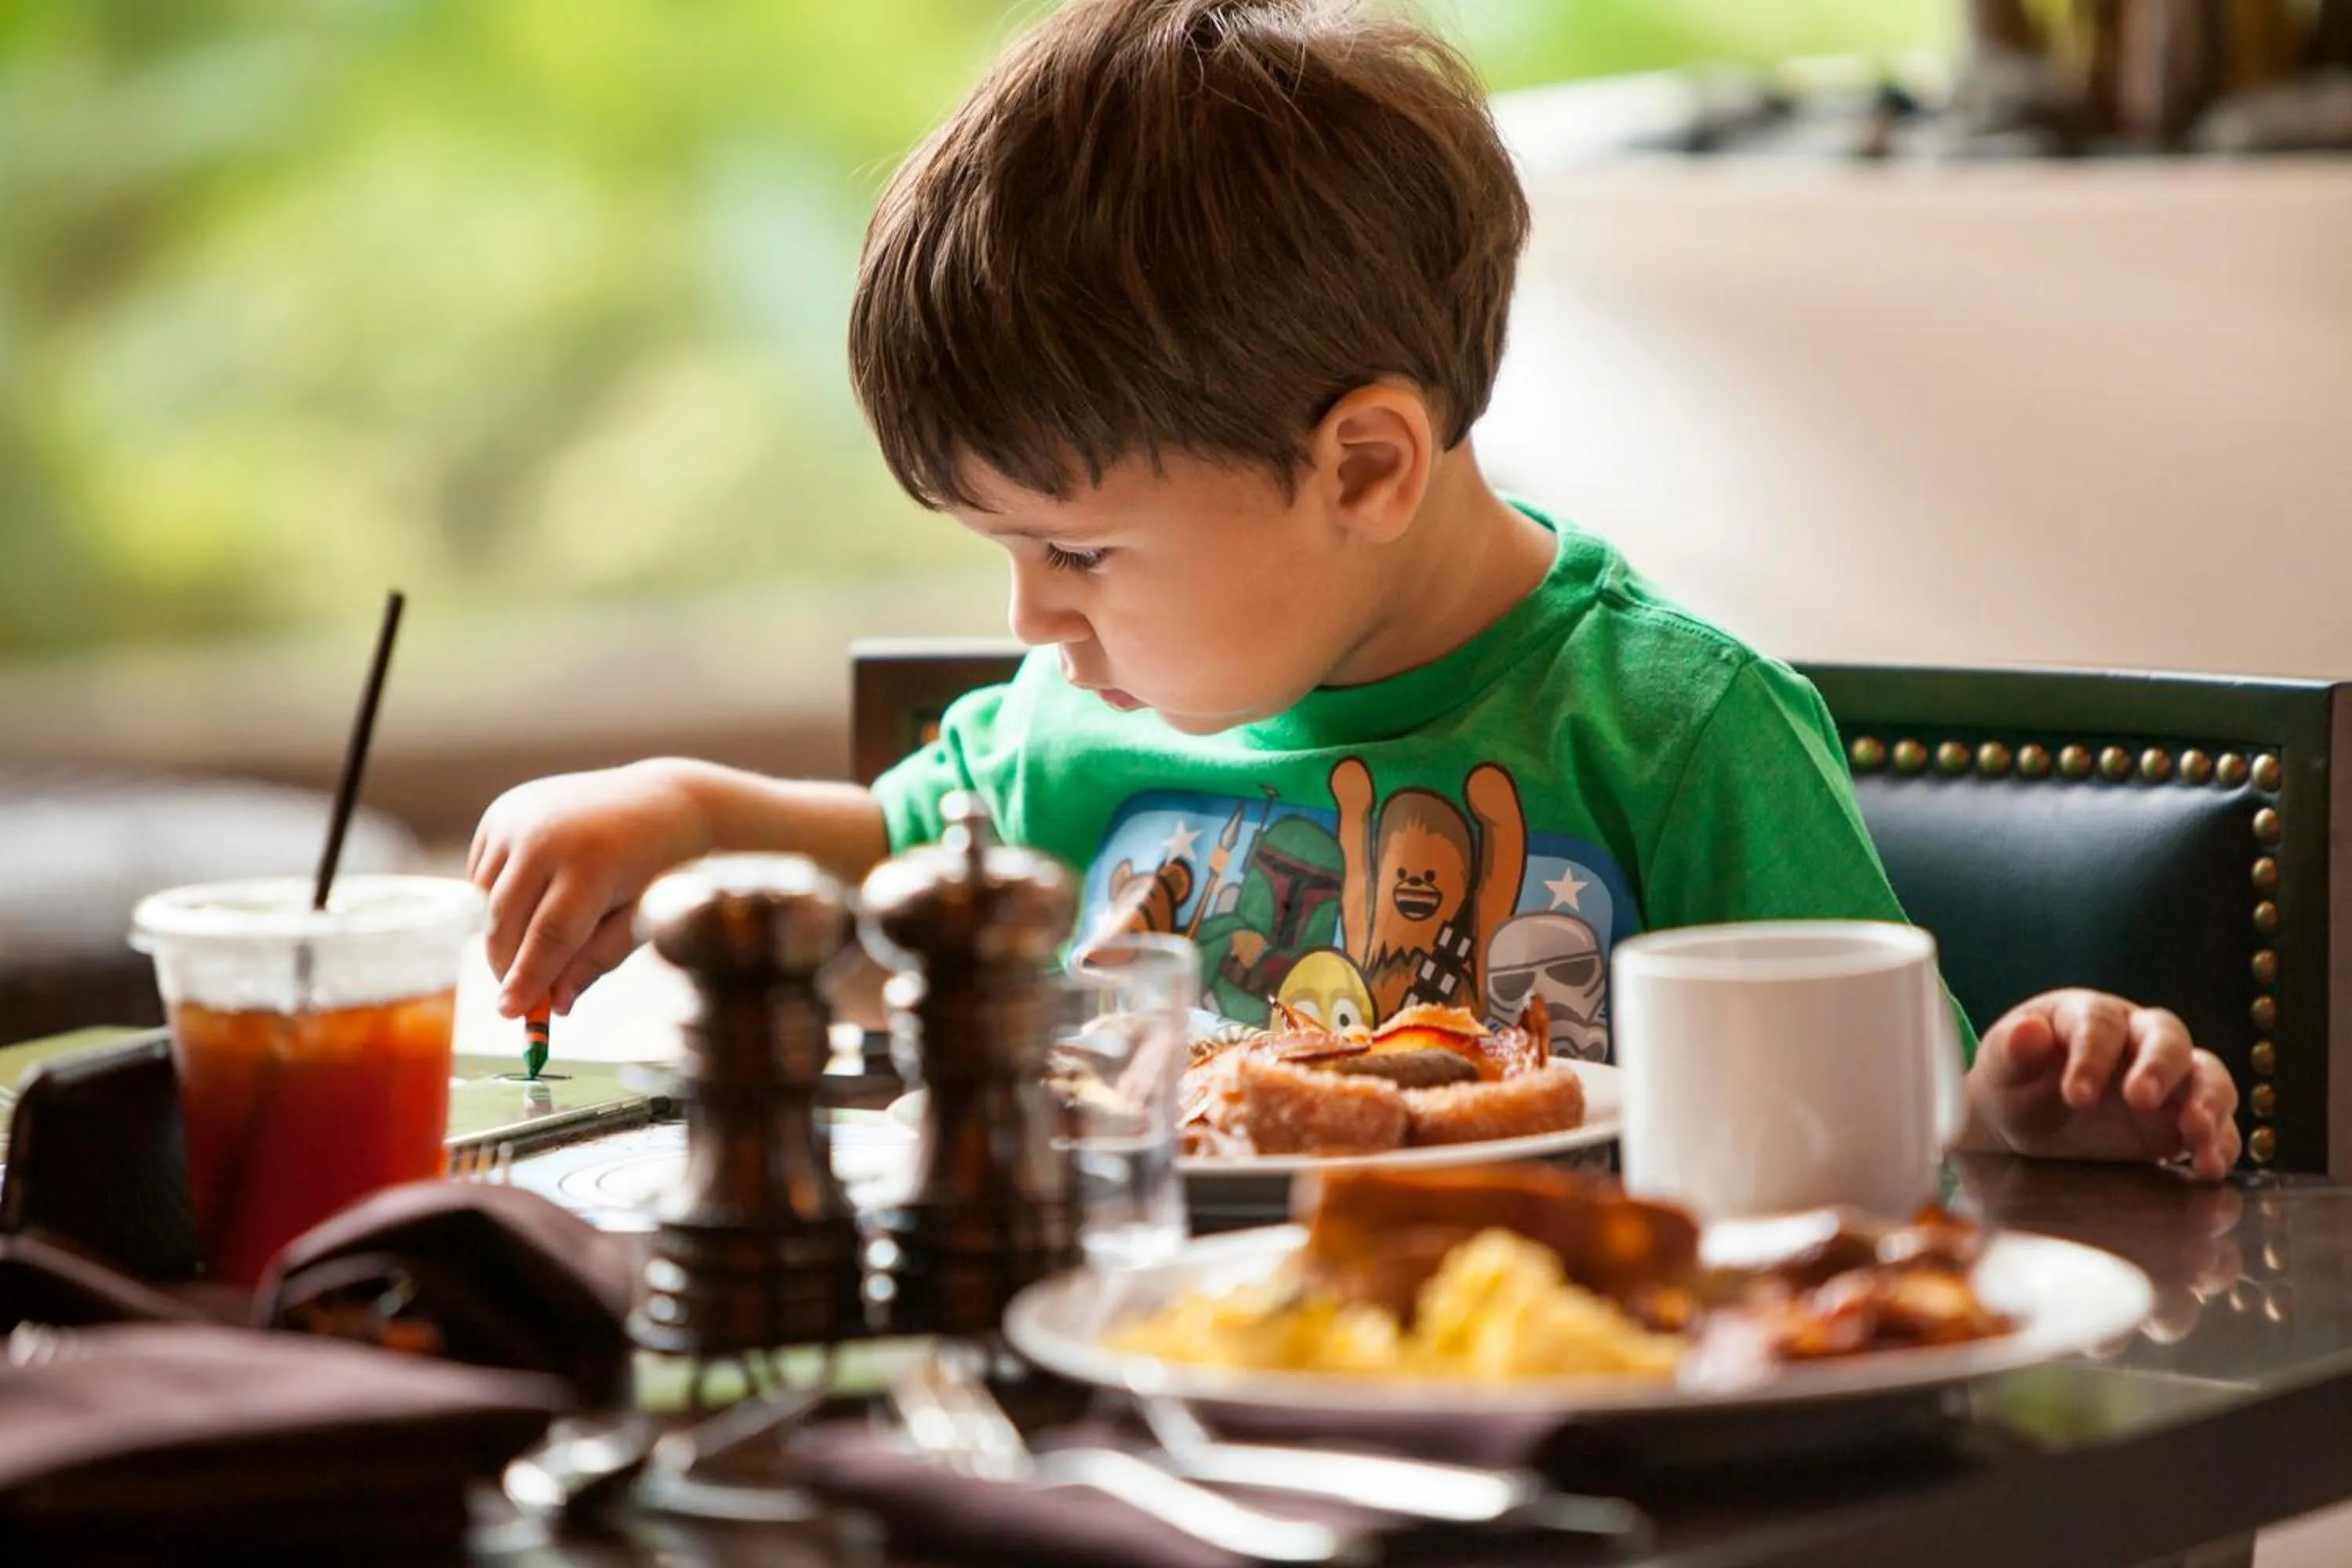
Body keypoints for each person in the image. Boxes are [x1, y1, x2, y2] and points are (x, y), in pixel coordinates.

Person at [470, 0, 2238, 1179]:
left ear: (1368, 467)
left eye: (1078, 551)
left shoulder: (1666, 728)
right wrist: (680, 810)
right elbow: (880, 853)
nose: (1032, 627)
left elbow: (1887, 1125)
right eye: (1001, 551)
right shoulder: (1065, 734)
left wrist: (2030, 1098)